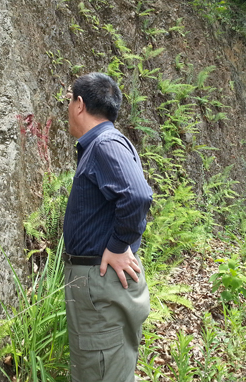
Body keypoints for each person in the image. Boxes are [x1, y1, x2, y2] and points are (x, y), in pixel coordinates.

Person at [62, 72, 153, 382]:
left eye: (69, 101)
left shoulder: (104, 144)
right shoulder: (106, 143)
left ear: (79, 104)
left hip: (99, 282)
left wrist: (117, 245)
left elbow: (137, 196)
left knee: (99, 372)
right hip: (99, 284)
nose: (68, 109)